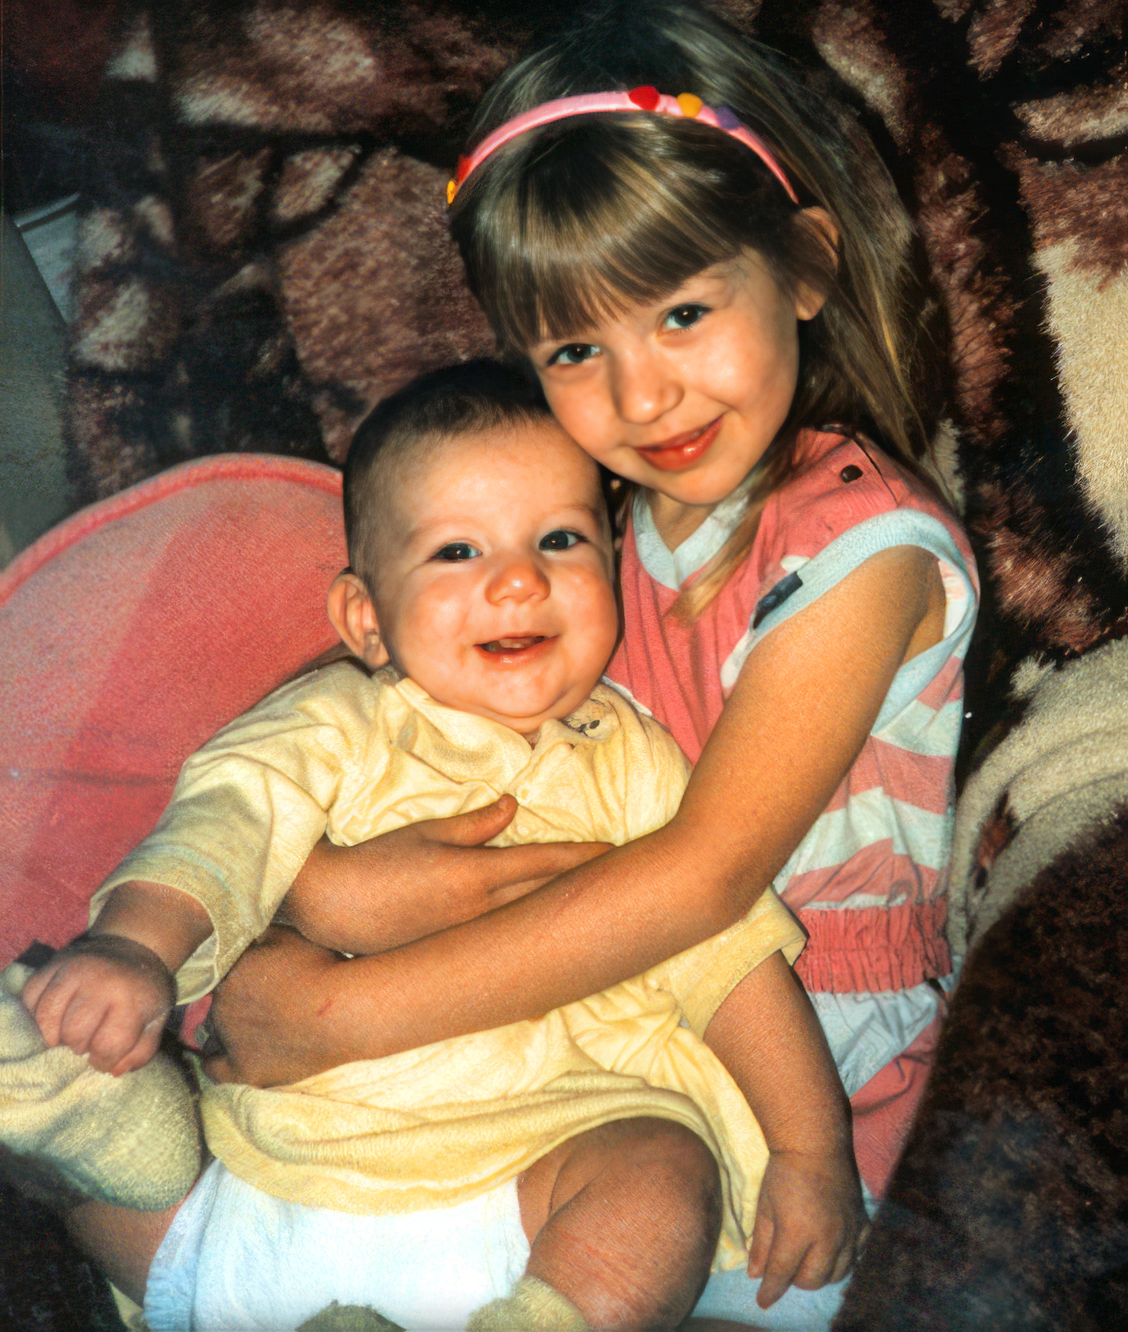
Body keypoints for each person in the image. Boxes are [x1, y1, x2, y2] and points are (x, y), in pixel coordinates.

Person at [199, 2, 978, 1325]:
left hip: (802, 1071)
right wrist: (319, 891)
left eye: (681, 311)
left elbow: (701, 880)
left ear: (802, 266)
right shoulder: (595, 525)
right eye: (575, 349)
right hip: (581, 1028)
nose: (642, 396)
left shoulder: (860, 549)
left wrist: (341, 1015)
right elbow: (407, 717)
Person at [8, 360, 864, 1331]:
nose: (517, 578)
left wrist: (809, 1152)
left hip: (537, 1183)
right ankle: (89, 1110)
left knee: (662, 1174)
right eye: (458, 550)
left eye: (559, 539)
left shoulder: (634, 762)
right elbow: (226, 823)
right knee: (87, 1144)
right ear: (366, 620)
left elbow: (731, 962)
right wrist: (134, 946)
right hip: (280, 1176)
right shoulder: (333, 722)